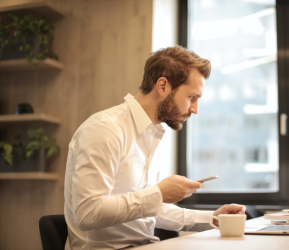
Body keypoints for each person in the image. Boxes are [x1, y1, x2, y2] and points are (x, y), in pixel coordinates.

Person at [64, 46, 246, 250]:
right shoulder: (105, 130)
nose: (194, 109)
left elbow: (146, 209)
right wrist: (158, 193)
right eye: (191, 98)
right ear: (162, 86)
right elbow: (87, 213)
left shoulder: (151, 134)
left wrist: (211, 218)